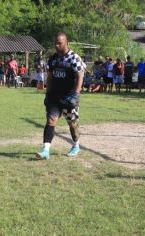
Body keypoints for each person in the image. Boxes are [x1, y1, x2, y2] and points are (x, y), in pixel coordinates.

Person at [36, 32, 85, 160]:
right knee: (51, 121)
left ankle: (76, 145)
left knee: (72, 123)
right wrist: (47, 94)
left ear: (66, 43)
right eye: (55, 43)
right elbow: (50, 77)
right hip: (54, 96)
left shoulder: (74, 58)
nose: (57, 45)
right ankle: (45, 150)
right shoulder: (53, 59)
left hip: (69, 97)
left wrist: (75, 94)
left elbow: (80, 76)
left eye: (60, 43)